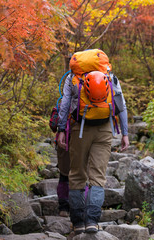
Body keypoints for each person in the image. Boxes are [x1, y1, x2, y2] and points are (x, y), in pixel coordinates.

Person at [57, 70, 129, 234]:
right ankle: (92, 221)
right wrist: (125, 133)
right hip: (105, 128)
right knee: (98, 176)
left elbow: (65, 103)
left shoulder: (73, 77)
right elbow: (121, 105)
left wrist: (61, 128)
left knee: (76, 174)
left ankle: (77, 222)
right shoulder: (110, 76)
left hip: (79, 128)